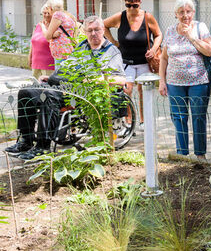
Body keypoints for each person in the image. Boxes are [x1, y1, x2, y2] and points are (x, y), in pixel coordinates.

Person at [5, 16, 125, 160]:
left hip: (84, 92)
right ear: (85, 32)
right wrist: (50, 78)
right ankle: (26, 140)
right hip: (64, 85)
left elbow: (121, 79)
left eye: (97, 30)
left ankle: (42, 147)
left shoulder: (111, 52)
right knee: (26, 92)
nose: (93, 33)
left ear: (103, 30)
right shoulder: (82, 46)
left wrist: (95, 79)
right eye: (90, 30)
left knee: (48, 96)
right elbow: (67, 66)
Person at [158, 0, 211, 160]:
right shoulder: (169, 30)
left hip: (199, 81)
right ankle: (182, 154)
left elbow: (209, 51)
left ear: (193, 12)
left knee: (198, 117)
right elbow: (164, 58)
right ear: (176, 14)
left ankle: (200, 155)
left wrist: (191, 37)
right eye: (181, 12)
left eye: (188, 11)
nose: (185, 15)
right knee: (179, 117)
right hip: (175, 83)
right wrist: (162, 81)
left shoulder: (200, 27)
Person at [104, 0, 162, 130]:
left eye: (135, 5)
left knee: (143, 91)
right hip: (126, 62)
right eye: (128, 5)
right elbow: (103, 25)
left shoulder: (147, 17)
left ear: (140, 4)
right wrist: (112, 41)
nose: (131, 9)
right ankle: (129, 120)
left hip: (144, 62)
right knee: (126, 91)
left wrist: (153, 49)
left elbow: (158, 34)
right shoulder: (120, 17)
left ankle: (143, 120)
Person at [43, 0, 77, 70]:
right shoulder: (67, 15)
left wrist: (52, 35)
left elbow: (47, 36)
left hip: (60, 52)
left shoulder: (57, 15)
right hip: (68, 49)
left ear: (50, 7)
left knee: (60, 78)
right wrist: (53, 34)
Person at [29, 4, 54, 79]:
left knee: (47, 88)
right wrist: (30, 57)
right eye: (44, 13)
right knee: (35, 87)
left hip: (48, 63)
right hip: (36, 62)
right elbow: (32, 42)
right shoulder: (38, 25)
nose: (46, 15)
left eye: (48, 13)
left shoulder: (54, 26)